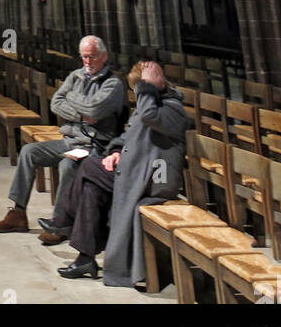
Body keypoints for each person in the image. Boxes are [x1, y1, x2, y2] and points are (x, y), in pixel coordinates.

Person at [38, 60, 188, 283]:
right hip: (138, 171)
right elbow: (128, 135)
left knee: (89, 165)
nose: (138, 96)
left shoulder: (172, 109)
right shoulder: (150, 106)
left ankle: (63, 222)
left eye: (139, 90)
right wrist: (116, 151)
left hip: (157, 178)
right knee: (92, 188)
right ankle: (85, 258)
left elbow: (148, 117)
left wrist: (148, 87)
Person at [0, 35, 125, 233]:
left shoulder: (113, 84)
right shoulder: (75, 76)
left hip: (95, 146)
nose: (88, 62)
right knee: (28, 152)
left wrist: (71, 99)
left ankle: (60, 223)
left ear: (104, 56)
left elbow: (95, 111)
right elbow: (56, 103)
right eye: (84, 57)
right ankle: (17, 213)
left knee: (67, 165)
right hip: (70, 141)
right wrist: (82, 113)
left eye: (93, 57)